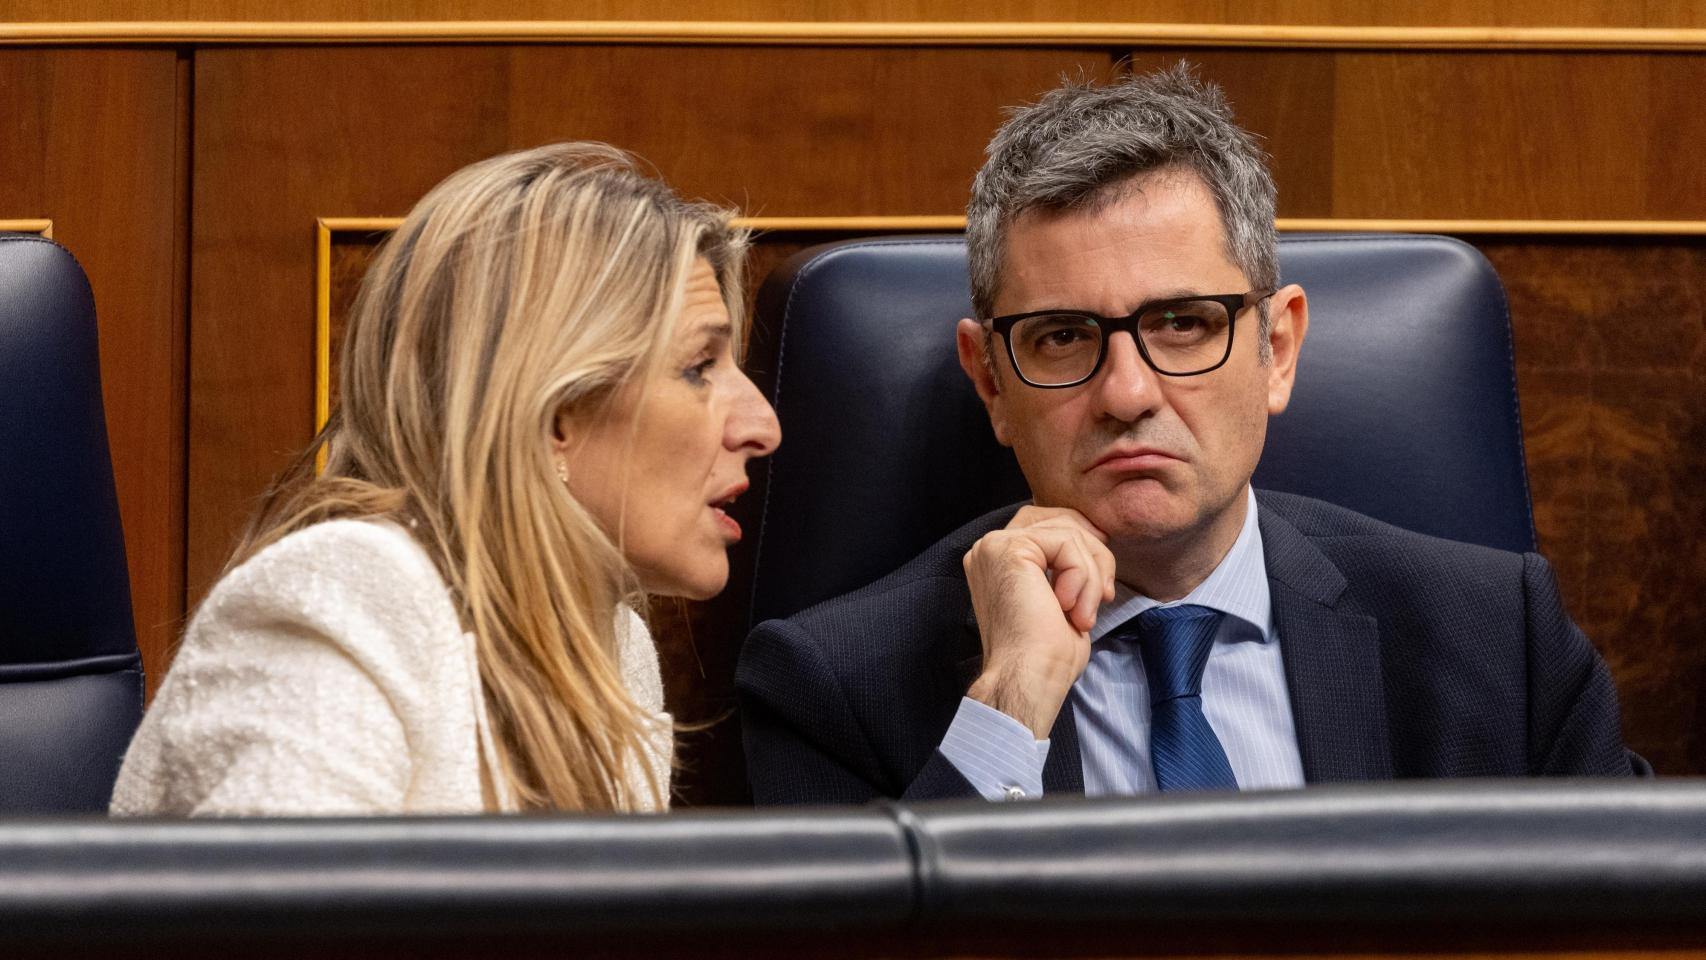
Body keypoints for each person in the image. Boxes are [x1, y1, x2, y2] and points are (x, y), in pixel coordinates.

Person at [736, 65, 1643, 805]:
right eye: (1063, 337)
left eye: (1182, 324)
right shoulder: (834, 687)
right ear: (991, 382)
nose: (1127, 393)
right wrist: (1010, 703)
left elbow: (1634, 926)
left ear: (1277, 349)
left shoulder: (1499, 638)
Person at [113, 143, 780, 815]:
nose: (763, 427)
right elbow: (281, 884)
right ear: (552, 415)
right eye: (699, 367)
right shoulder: (350, 598)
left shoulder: (612, 640)